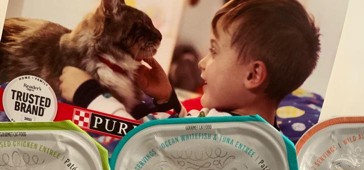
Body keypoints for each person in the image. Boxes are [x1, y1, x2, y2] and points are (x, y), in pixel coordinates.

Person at [59, 0, 320, 126]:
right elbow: (189, 131)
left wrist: (90, 94)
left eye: (214, 51)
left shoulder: (234, 138)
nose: (202, 63)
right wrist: (167, 99)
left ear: (253, 75)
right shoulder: (249, 127)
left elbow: (141, 145)